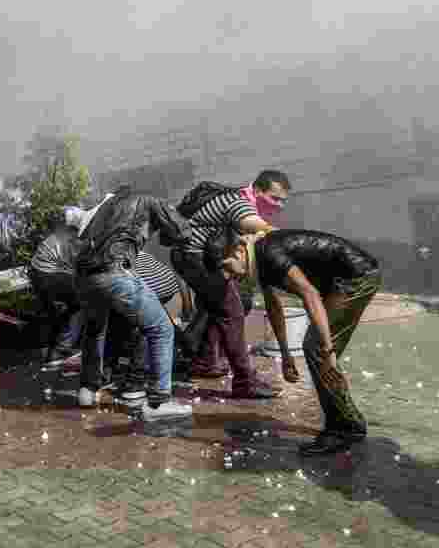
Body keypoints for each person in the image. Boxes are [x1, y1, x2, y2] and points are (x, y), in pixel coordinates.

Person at [206, 227, 381, 455]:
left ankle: (345, 429)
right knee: (316, 348)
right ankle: (348, 423)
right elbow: (274, 307)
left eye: (227, 267)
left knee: (316, 348)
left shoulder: (268, 254)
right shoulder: (259, 260)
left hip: (357, 276)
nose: (228, 276)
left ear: (239, 251)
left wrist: (328, 351)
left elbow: (309, 294)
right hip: (342, 278)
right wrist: (286, 356)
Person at [73, 188, 194, 421]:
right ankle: (159, 403)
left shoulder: (105, 208)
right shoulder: (152, 199)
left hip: (82, 275)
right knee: (161, 328)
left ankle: (87, 391)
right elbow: (181, 232)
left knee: (95, 329)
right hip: (114, 269)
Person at [171, 171, 291, 397]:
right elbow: (254, 224)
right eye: (275, 198)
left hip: (196, 258)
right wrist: (289, 238)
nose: (280, 205)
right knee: (232, 311)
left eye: (284, 200)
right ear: (257, 191)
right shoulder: (239, 202)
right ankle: (245, 382)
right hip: (194, 257)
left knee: (220, 308)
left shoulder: (239, 199)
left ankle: (206, 362)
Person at [106, 250, 195, 405]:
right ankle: (186, 353)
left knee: (142, 328)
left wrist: (187, 305)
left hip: (152, 285)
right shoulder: (122, 251)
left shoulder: (116, 258)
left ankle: (137, 381)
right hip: (154, 283)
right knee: (154, 325)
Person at [29, 210, 83, 369]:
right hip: (49, 275)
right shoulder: (71, 239)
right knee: (82, 302)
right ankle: (62, 350)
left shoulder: (58, 234)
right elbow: (75, 267)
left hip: (39, 274)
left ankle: (54, 351)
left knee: (61, 310)